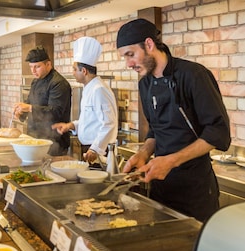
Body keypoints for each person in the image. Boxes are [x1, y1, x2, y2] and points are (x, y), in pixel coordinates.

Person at [116, 18, 231, 222]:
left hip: (195, 190)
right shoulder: (145, 84)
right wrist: (143, 153)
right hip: (161, 189)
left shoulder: (193, 75)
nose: (128, 64)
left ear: (149, 44)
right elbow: (156, 131)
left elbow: (218, 132)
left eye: (130, 55)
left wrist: (170, 161)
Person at [52, 37, 118, 163]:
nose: (73, 73)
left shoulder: (99, 89)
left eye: (74, 69)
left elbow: (109, 123)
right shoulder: (89, 87)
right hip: (90, 149)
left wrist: (95, 149)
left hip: (99, 152)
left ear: (84, 71)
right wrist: (70, 126)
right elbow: (90, 120)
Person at [14, 46, 72, 156]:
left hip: (54, 140)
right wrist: (21, 112)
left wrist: (29, 108)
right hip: (34, 136)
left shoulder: (58, 83)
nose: (33, 71)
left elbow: (55, 112)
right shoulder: (35, 82)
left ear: (48, 64)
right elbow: (29, 103)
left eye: (37, 66)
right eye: (31, 67)